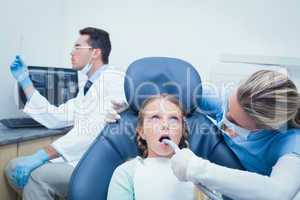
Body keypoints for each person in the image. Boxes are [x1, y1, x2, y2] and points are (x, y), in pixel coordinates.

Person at [6, 27, 126, 200]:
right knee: (13, 167)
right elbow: (57, 116)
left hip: (97, 165)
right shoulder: (88, 86)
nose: (72, 52)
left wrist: (43, 154)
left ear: (95, 53)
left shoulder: (114, 79)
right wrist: (25, 81)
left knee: (35, 177)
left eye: (78, 47)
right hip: (79, 158)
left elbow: (96, 129)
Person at [170, 70, 300, 200]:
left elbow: (277, 193)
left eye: (234, 122)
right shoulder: (232, 100)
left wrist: (196, 168)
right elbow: (177, 93)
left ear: (267, 127)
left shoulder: (290, 143)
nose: (225, 118)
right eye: (228, 108)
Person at [107, 94, 212, 200]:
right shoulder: (126, 173)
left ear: (182, 132)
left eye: (173, 119)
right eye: (155, 118)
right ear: (142, 132)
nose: (165, 125)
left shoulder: (198, 171)